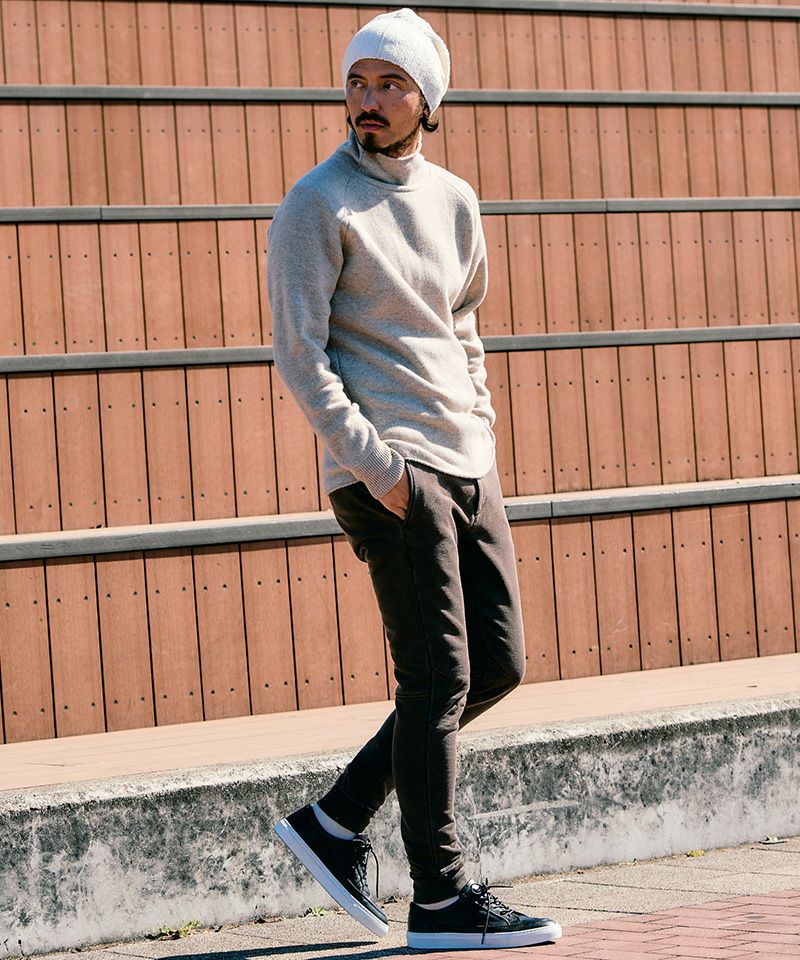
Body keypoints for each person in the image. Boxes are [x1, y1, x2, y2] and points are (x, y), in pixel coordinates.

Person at [266, 8, 562, 950]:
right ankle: (440, 896)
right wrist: (378, 465)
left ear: (428, 100)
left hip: (466, 460)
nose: (369, 100)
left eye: (390, 84)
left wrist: (481, 430)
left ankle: (334, 820)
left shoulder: (455, 200)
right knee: (436, 676)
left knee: (497, 665)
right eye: (358, 82)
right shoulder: (317, 204)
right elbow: (300, 354)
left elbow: (464, 324)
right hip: (389, 472)